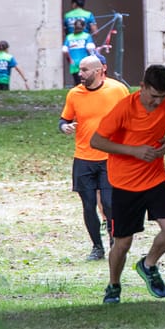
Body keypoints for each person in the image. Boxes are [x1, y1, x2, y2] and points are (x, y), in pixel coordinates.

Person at [90, 65, 165, 304]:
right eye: (153, 96)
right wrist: (134, 151)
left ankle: (148, 265)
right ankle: (113, 286)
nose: (157, 102)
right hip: (125, 182)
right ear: (142, 87)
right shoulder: (124, 108)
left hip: (155, 177)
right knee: (123, 242)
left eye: (162, 96)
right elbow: (96, 141)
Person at [59, 55, 130, 261]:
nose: (80, 74)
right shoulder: (74, 94)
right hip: (83, 157)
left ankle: (114, 241)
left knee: (109, 203)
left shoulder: (118, 90)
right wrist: (65, 127)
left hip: (110, 157)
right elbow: (63, 120)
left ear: (99, 71)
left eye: (85, 70)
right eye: (80, 69)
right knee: (88, 205)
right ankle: (97, 247)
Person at [63, 19, 96, 86]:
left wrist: (69, 59)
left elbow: (65, 50)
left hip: (74, 62)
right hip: (84, 61)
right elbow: (90, 48)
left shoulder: (69, 37)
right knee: (85, 81)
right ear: (84, 27)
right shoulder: (87, 36)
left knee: (77, 81)